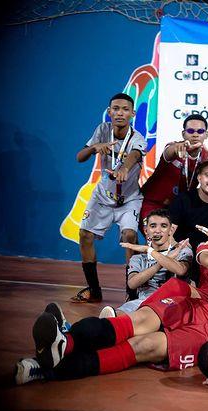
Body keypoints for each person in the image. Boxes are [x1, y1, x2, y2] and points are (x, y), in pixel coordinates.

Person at [16, 234, 208, 384]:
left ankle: (48, 366)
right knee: (138, 322)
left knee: (143, 346)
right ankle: (68, 341)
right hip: (198, 306)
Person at [72, 93, 147, 303]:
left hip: (129, 199)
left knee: (129, 237)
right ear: (109, 111)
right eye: (115, 108)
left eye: (125, 109)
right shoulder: (102, 130)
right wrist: (94, 148)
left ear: (132, 114)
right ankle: (94, 290)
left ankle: (133, 292)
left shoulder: (137, 138)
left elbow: (135, 155)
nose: (120, 113)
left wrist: (124, 168)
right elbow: (80, 157)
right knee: (84, 235)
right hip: (103, 196)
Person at [139, 114, 208, 232]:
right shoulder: (175, 147)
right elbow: (169, 152)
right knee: (154, 236)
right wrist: (176, 147)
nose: (195, 134)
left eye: (200, 131)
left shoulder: (207, 157)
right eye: (190, 131)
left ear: (206, 134)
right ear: (183, 134)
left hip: (179, 208)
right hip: (153, 203)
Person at [111, 208, 192, 314]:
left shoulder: (182, 251)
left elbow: (180, 270)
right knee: (116, 315)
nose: (158, 230)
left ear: (171, 230)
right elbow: (132, 283)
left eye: (163, 226)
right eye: (153, 226)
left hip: (173, 303)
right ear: (146, 231)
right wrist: (158, 261)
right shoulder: (138, 258)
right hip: (143, 303)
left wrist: (149, 250)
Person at [169, 157, 208, 282]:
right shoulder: (183, 200)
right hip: (184, 253)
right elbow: (168, 234)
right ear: (199, 178)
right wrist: (177, 248)